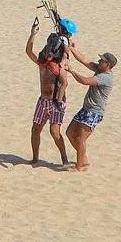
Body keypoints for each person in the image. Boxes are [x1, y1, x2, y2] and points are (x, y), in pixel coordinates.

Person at [24, 14, 75, 167]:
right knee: (35, 130)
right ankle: (35, 159)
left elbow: (65, 83)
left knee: (54, 131)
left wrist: (58, 101)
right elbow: (28, 52)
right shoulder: (42, 63)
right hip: (43, 100)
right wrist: (33, 34)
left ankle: (65, 160)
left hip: (56, 103)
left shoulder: (59, 66)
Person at [65, 53, 117, 172]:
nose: (99, 61)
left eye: (102, 61)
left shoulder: (106, 78)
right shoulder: (99, 69)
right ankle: (83, 159)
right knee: (70, 133)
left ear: (108, 64)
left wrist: (71, 71)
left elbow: (84, 81)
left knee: (80, 138)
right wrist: (72, 48)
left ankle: (79, 167)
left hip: (94, 112)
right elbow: (84, 60)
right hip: (86, 109)